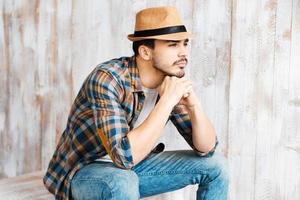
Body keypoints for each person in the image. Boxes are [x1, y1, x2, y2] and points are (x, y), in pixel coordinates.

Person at [43, 6, 229, 200]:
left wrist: (194, 105)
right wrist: (167, 101)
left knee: (217, 166)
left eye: (185, 43)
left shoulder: (169, 82)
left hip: (135, 167)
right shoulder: (108, 79)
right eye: (173, 45)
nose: (184, 53)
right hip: (84, 171)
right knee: (122, 181)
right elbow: (123, 157)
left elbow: (207, 148)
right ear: (145, 52)